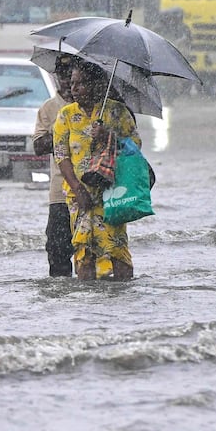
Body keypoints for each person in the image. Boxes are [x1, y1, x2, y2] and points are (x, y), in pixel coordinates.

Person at [53, 61, 141, 281]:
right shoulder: (65, 115)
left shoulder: (117, 112)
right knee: (83, 250)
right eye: (72, 83)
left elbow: (135, 146)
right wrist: (77, 188)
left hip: (112, 192)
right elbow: (61, 155)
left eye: (80, 83)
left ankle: (121, 291)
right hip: (79, 195)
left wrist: (109, 136)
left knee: (116, 247)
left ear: (95, 85)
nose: (74, 88)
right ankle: (87, 299)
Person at [32, 53, 76, 277]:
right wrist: (63, 130)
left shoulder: (96, 106)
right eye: (63, 74)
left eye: (72, 74)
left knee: (92, 252)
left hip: (93, 191)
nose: (68, 79)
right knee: (58, 252)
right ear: (56, 76)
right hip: (60, 194)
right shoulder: (49, 109)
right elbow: (38, 146)